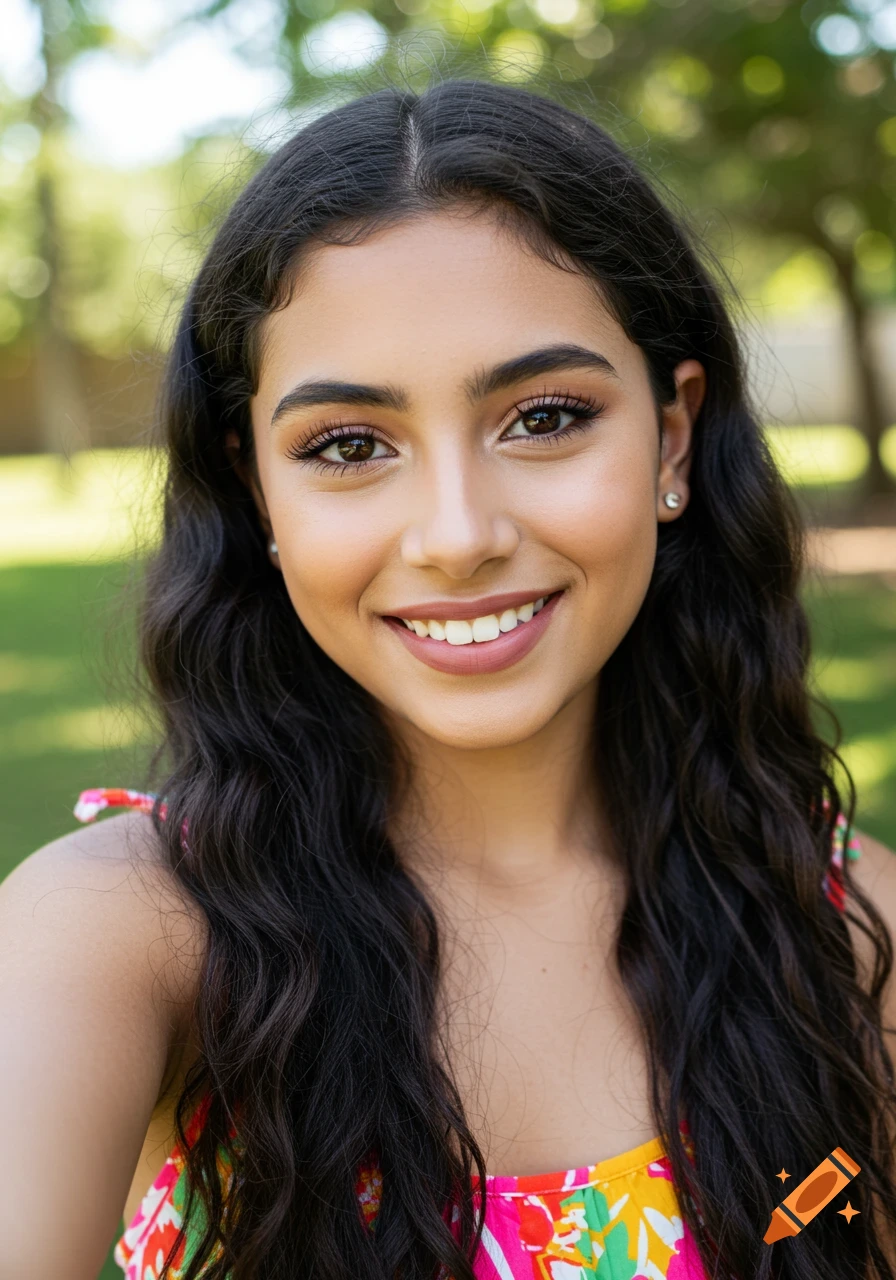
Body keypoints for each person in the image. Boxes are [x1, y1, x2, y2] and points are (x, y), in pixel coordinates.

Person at [2, 77, 895, 1280]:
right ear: (258, 485)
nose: (456, 533)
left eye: (541, 416)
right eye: (349, 445)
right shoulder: (126, 935)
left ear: (670, 436)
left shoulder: (839, 930)